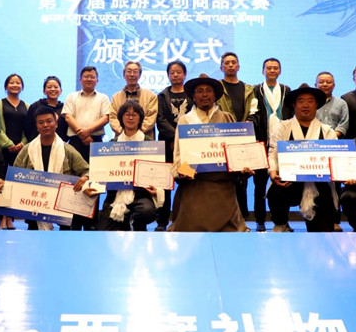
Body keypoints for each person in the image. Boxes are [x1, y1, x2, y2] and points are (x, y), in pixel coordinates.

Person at [168, 74, 248, 232]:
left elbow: (236, 152)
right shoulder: (185, 120)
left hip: (222, 183)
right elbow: (178, 154)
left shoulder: (227, 117)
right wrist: (185, 172)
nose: (204, 95)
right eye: (199, 91)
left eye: (209, 90)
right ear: (193, 96)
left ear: (215, 95)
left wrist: (243, 167)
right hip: (195, 182)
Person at [267, 84, 338, 232]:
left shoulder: (327, 131)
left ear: (316, 105)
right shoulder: (283, 127)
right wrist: (273, 172)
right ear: (294, 105)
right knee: (276, 191)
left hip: (319, 183)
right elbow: (273, 151)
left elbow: (336, 158)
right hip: (290, 182)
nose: (306, 105)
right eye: (301, 101)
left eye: (310, 101)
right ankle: (281, 223)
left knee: (322, 233)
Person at [14, 106, 94, 230]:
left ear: (56, 124)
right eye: (41, 122)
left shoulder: (68, 150)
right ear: (37, 126)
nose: (45, 125)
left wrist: (85, 178)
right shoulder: (27, 150)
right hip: (34, 210)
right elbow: (14, 176)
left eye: (49, 121)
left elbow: (87, 170)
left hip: (63, 213)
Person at [97, 101, 162, 231]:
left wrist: (157, 190)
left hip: (141, 195)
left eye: (134, 115)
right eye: (127, 114)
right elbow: (101, 173)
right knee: (104, 231)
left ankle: (138, 225)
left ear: (140, 119)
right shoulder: (112, 144)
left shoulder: (150, 144)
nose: (130, 118)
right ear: (121, 118)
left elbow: (158, 174)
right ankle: (125, 223)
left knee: (146, 212)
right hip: (116, 195)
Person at [249, 57, 292, 231]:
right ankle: (260, 220)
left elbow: (290, 113)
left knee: (283, 185)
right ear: (263, 71)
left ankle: (282, 221)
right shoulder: (256, 90)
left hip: (282, 144)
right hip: (262, 142)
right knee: (259, 185)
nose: (272, 70)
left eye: (275, 68)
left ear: (280, 71)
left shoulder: (286, 90)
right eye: (268, 68)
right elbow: (253, 113)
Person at [217, 52, 258, 221]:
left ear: (238, 66)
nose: (230, 65)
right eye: (227, 63)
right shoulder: (217, 88)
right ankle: (224, 218)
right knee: (225, 181)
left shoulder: (249, 89)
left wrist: (247, 124)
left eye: (233, 62)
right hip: (222, 140)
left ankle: (242, 219)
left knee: (243, 179)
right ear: (221, 67)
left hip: (244, 138)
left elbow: (255, 111)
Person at [155, 60, 193, 231]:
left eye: (179, 72)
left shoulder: (192, 94)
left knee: (187, 181)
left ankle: (185, 218)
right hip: (167, 146)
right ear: (168, 75)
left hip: (188, 148)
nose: (175, 75)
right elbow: (160, 119)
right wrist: (174, 138)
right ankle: (162, 221)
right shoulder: (162, 96)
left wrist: (180, 140)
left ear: (185, 74)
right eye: (172, 72)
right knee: (166, 183)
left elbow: (194, 118)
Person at [314, 71, 350, 231]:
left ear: (334, 85)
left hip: (335, 149)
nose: (325, 85)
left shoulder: (341, 103)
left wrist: (330, 137)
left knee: (334, 185)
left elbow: (344, 124)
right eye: (321, 82)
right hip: (314, 149)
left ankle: (335, 221)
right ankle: (315, 218)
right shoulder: (311, 102)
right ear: (315, 84)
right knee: (316, 185)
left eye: (328, 82)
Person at [63, 66, 110, 161]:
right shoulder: (71, 96)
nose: (89, 79)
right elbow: (68, 117)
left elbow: (106, 118)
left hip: (95, 141)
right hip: (75, 140)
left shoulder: (103, 98)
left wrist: (87, 131)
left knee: (97, 168)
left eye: (92, 77)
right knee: (74, 169)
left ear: (97, 80)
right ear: (80, 79)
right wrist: (83, 135)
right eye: (86, 76)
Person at [109, 61, 158, 140]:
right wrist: (125, 133)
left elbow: (150, 119)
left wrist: (135, 134)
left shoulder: (151, 96)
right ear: (124, 75)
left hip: (145, 141)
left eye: (135, 72)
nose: (132, 74)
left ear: (140, 75)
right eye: (129, 71)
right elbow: (113, 118)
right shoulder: (115, 97)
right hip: (121, 141)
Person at [0, 73, 28, 166]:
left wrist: (22, 144)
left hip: (21, 150)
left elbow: (29, 129)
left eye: (18, 83)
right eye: (11, 83)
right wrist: (8, 144)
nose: (15, 85)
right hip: (2, 149)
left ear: (22, 87)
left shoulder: (27, 106)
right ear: (6, 86)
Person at [24, 76, 68, 142]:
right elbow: (28, 128)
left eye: (56, 87)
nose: (53, 89)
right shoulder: (35, 106)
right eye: (49, 87)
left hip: (59, 146)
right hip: (37, 145)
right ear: (44, 91)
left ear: (61, 91)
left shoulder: (65, 108)